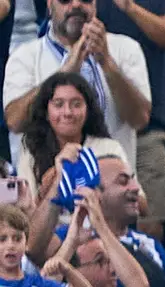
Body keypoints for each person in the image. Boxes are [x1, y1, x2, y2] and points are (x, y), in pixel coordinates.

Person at [3, 0, 152, 169]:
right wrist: (64, 74)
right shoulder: (25, 55)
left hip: (113, 185)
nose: (76, 5)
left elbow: (140, 119)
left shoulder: (126, 48)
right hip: (43, 185)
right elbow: (15, 121)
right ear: (49, 5)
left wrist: (107, 63)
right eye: (65, 0)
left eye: (85, 0)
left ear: (95, 5)